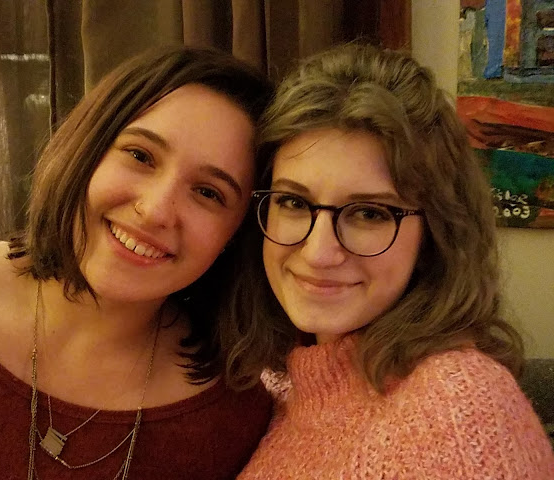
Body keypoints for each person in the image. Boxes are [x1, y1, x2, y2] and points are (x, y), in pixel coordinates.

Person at [0, 46, 275, 479]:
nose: (155, 211)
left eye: (208, 193)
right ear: (88, 150)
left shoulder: (234, 417)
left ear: (237, 235)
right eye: (140, 156)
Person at [227, 44, 554, 479]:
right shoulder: (279, 388)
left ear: (436, 234)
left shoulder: (460, 411)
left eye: (369, 213)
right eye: (294, 202)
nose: (318, 253)